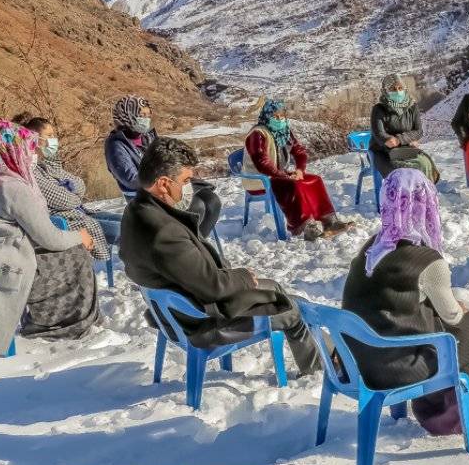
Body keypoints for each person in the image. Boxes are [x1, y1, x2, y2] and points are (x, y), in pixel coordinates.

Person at [119, 136, 321, 376]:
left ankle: (330, 356)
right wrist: (243, 277)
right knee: (293, 310)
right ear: (163, 183)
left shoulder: (137, 210)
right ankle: (320, 370)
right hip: (202, 320)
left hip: (181, 307)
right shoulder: (164, 232)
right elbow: (213, 287)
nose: (188, 187)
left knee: (281, 291)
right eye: (185, 181)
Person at [341, 168, 469, 435]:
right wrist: (459, 309)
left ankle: (438, 407)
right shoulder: (427, 260)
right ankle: (454, 418)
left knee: (440, 325)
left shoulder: (372, 248)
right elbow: (452, 316)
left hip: (358, 359)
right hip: (398, 367)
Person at [0, 119, 99, 354]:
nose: (31, 152)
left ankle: (56, 319)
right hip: (1, 274)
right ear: (12, 148)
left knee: (65, 255)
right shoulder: (11, 188)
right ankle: (55, 326)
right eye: (27, 146)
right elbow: (51, 239)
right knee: (77, 256)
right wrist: (81, 237)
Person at [104, 95, 221, 240]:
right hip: (146, 195)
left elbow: (167, 159)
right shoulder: (116, 146)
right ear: (127, 116)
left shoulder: (147, 137)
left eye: (148, 114)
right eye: (141, 115)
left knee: (212, 202)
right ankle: (182, 251)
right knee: (196, 206)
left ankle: (196, 247)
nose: (146, 119)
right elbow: (132, 179)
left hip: (169, 185)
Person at [242, 99, 354, 240]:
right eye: (274, 116)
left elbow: (299, 151)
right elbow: (261, 162)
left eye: (281, 116)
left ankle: (330, 221)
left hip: (278, 174)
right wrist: (283, 175)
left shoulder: (284, 131)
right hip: (260, 177)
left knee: (314, 180)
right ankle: (307, 228)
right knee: (292, 185)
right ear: (266, 116)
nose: (279, 119)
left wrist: (300, 170)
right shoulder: (257, 134)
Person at [12, 114, 116, 262]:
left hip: (78, 213)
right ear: (34, 139)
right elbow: (64, 201)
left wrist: (52, 159)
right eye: (49, 135)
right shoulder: (30, 171)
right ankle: (109, 262)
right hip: (65, 220)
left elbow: (79, 184)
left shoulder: (42, 166)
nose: (54, 139)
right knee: (121, 230)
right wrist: (74, 194)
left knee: (122, 220)